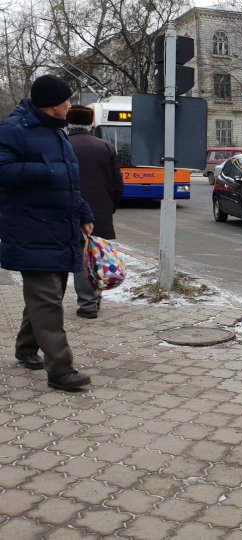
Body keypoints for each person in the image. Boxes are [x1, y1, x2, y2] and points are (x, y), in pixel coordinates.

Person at [0, 75, 94, 391]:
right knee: (48, 301)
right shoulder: (14, 131)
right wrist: (46, 170)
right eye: (67, 100)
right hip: (30, 229)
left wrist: (83, 211)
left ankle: (26, 349)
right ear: (53, 105)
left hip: (59, 227)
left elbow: (69, 181)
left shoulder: (58, 133)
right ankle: (61, 371)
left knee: (44, 297)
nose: (71, 105)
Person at [66, 105, 123, 319]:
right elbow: (117, 183)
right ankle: (95, 298)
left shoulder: (62, 145)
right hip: (100, 210)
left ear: (68, 122)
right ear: (90, 122)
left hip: (68, 210)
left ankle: (88, 304)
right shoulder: (105, 147)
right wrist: (110, 207)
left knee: (80, 258)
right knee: (95, 256)